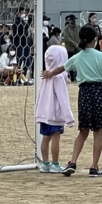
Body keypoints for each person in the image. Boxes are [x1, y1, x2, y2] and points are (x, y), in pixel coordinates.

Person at [43, 25, 102, 177]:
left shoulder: (77, 57)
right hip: (100, 93)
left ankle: (72, 161)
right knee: (98, 132)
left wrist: (49, 73)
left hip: (84, 94)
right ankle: (94, 166)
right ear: (95, 40)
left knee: (83, 131)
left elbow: (62, 68)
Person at [35, 45, 75, 173]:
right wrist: (68, 117)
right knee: (56, 137)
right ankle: (55, 164)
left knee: (45, 137)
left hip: (45, 112)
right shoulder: (59, 77)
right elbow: (63, 98)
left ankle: (45, 163)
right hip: (55, 113)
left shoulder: (46, 75)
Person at [63, 15, 80, 83]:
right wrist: (75, 44)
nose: (74, 21)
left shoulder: (78, 27)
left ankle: (77, 77)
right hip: (70, 48)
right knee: (71, 63)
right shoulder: (66, 29)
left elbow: (80, 35)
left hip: (78, 48)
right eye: (72, 19)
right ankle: (72, 77)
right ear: (69, 20)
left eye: (74, 19)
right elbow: (67, 38)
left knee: (78, 63)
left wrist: (78, 44)